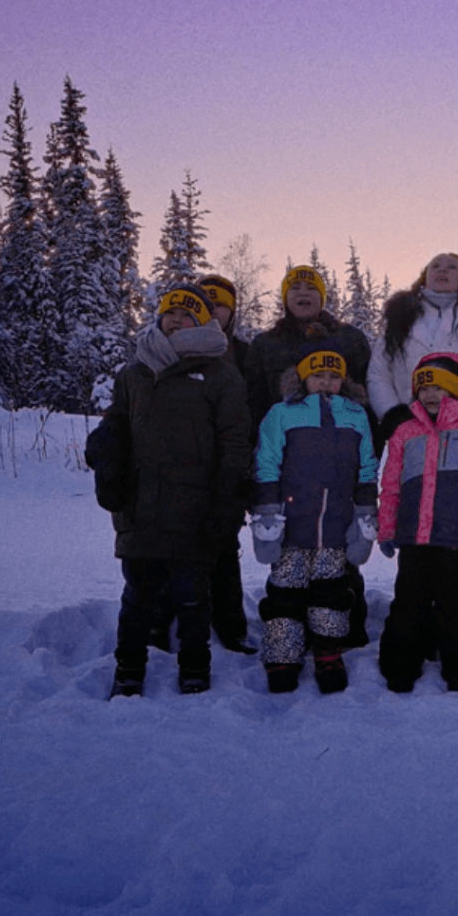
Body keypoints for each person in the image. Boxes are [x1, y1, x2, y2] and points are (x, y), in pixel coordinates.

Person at [87, 283, 251, 698]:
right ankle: (128, 671)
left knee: (193, 598)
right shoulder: (135, 372)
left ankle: (195, 669)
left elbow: (234, 444)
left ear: (203, 323)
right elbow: (117, 424)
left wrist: (227, 503)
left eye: (188, 314)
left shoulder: (220, 375)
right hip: (141, 507)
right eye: (171, 312)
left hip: (196, 510)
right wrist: (105, 457)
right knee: (137, 597)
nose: (177, 320)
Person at [245, 263, 376, 646]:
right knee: (290, 554)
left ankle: (339, 632)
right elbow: (253, 400)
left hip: (339, 463)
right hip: (288, 463)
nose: (303, 293)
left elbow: (365, 399)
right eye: (295, 288)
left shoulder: (350, 339)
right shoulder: (266, 344)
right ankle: (288, 634)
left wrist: (362, 464)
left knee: (339, 554)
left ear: (323, 296)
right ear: (284, 297)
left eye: (311, 288)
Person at [249, 342, 378, 694]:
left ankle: (328, 653)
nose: (325, 382)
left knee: (331, 594)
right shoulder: (282, 413)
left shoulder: (356, 415)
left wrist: (366, 509)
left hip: (335, 524)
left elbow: (367, 464)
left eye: (334, 376)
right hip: (292, 524)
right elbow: (266, 461)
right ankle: (282, 655)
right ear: (303, 378)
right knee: (285, 594)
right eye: (318, 375)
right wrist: (267, 509)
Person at [375, 351, 458, 693]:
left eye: (440, 387)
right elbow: (391, 485)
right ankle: (401, 665)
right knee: (408, 604)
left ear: (457, 390)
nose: (431, 394)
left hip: (457, 539)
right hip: (414, 539)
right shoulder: (404, 432)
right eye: (424, 388)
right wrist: (387, 529)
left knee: (457, 606)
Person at [368, 252, 458, 440]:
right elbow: (379, 374)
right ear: (425, 276)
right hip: (410, 434)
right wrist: (392, 414)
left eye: (452, 267)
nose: (442, 270)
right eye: (435, 266)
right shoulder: (399, 320)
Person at [195, 274, 256, 655]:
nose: (214, 310)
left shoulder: (246, 355)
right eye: (207, 302)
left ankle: (231, 626)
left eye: (221, 304)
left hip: (231, 465)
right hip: (184, 466)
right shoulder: (174, 350)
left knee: (223, 546)